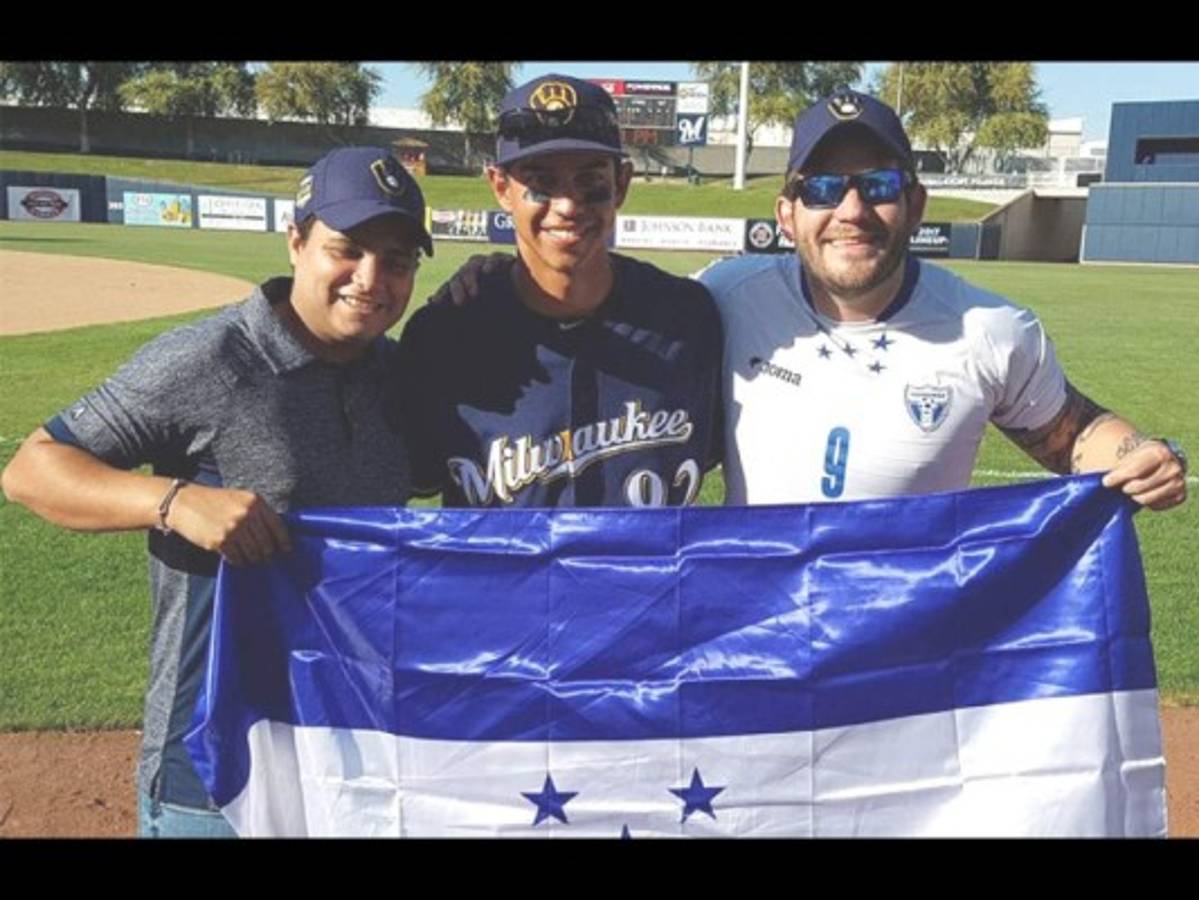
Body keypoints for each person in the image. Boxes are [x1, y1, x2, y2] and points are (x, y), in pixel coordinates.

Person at [1, 146, 435, 837]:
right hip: (212, 767)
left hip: (354, 752)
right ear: (296, 242)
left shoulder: (399, 375)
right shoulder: (212, 358)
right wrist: (172, 502)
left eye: (399, 260)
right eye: (346, 250)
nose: (371, 278)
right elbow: (31, 470)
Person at [698, 88, 1187, 508]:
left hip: (911, 616)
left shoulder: (990, 329)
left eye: (879, 185)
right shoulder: (724, 297)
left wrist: (1146, 457)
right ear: (786, 215)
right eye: (823, 188)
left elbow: (1073, 435)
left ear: (915, 206)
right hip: (761, 615)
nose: (851, 210)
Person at [398, 74, 722, 508]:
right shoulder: (443, 334)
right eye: (540, 182)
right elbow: (378, 490)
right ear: (500, 188)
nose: (568, 205)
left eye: (591, 181)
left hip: (647, 579)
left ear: (622, 184)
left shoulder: (689, 319)